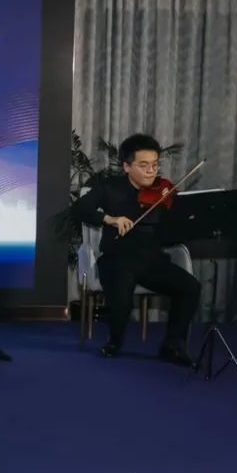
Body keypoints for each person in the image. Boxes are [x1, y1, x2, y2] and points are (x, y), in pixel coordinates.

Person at [72, 134, 198, 365]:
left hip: (151, 261)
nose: (151, 171)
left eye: (155, 165)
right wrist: (110, 219)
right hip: (116, 259)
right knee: (122, 296)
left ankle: (172, 344)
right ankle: (115, 341)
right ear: (127, 166)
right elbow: (80, 209)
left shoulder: (163, 191)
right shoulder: (109, 188)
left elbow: (177, 225)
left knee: (190, 287)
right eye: (144, 165)